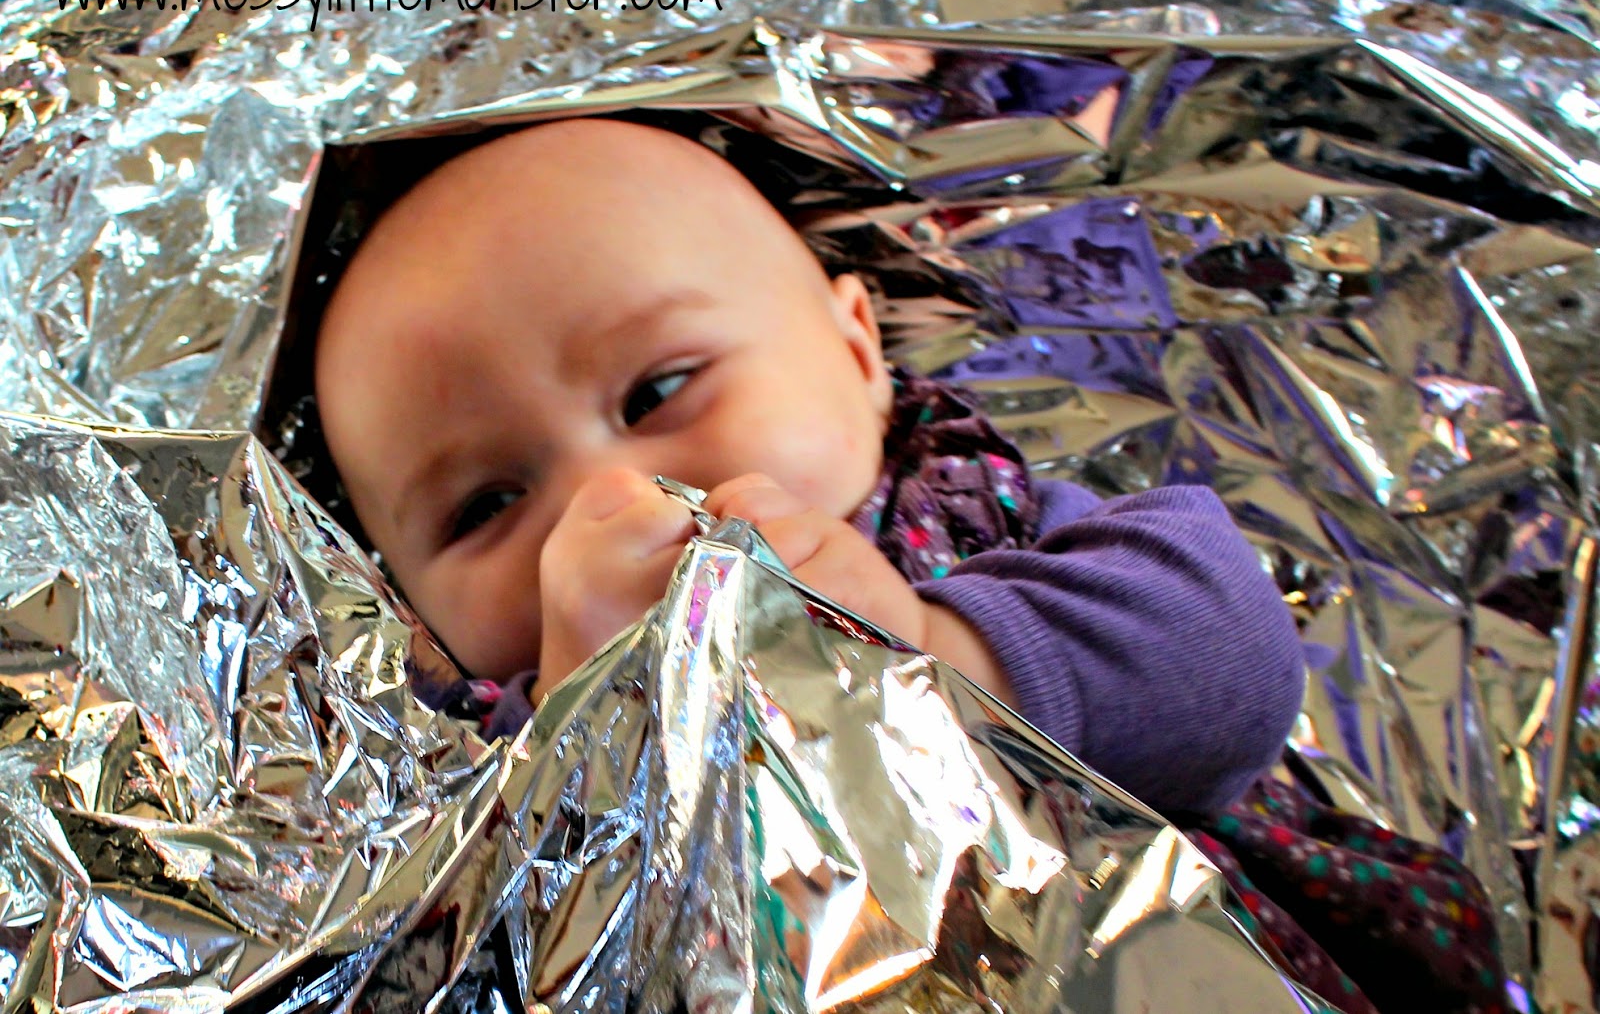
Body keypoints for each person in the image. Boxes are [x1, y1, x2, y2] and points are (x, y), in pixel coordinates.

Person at [312, 117, 1307, 818]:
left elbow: (1235, 665)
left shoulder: (965, 520)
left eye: (657, 393)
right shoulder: (471, 764)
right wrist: (589, 753)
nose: (606, 502)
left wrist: (942, 653)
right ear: (411, 607)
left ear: (859, 353)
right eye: (485, 503)